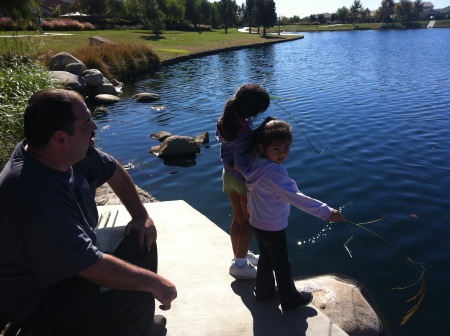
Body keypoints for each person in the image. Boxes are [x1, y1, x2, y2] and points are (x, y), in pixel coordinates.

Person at [0, 89, 177, 335]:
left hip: (66, 268)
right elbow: (90, 265)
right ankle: (136, 322)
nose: (95, 127)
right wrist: (155, 284)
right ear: (60, 138)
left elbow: (113, 169)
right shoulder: (31, 190)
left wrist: (140, 215)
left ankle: (139, 325)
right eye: (86, 124)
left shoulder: (67, 152)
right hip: (39, 300)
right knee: (136, 296)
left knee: (142, 238)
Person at [244, 117, 346, 311]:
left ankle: (264, 292)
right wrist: (327, 212)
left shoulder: (255, 163)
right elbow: (296, 198)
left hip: (257, 222)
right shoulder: (274, 173)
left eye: (286, 148)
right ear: (262, 146)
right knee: (282, 265)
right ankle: (290, 300)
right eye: (276, 149)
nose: (282, 154)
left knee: (266, 259)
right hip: (273, 226)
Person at [216, 84, 270, 280]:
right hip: (241, 179)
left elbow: (229, 150)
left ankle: (240, 254)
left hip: (227, 175)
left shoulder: (226, 118)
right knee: (248, 220)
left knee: (238, 218)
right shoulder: (244, 127)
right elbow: (241, 162)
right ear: (254, 111)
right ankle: (239, 265)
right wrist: (254, 178)